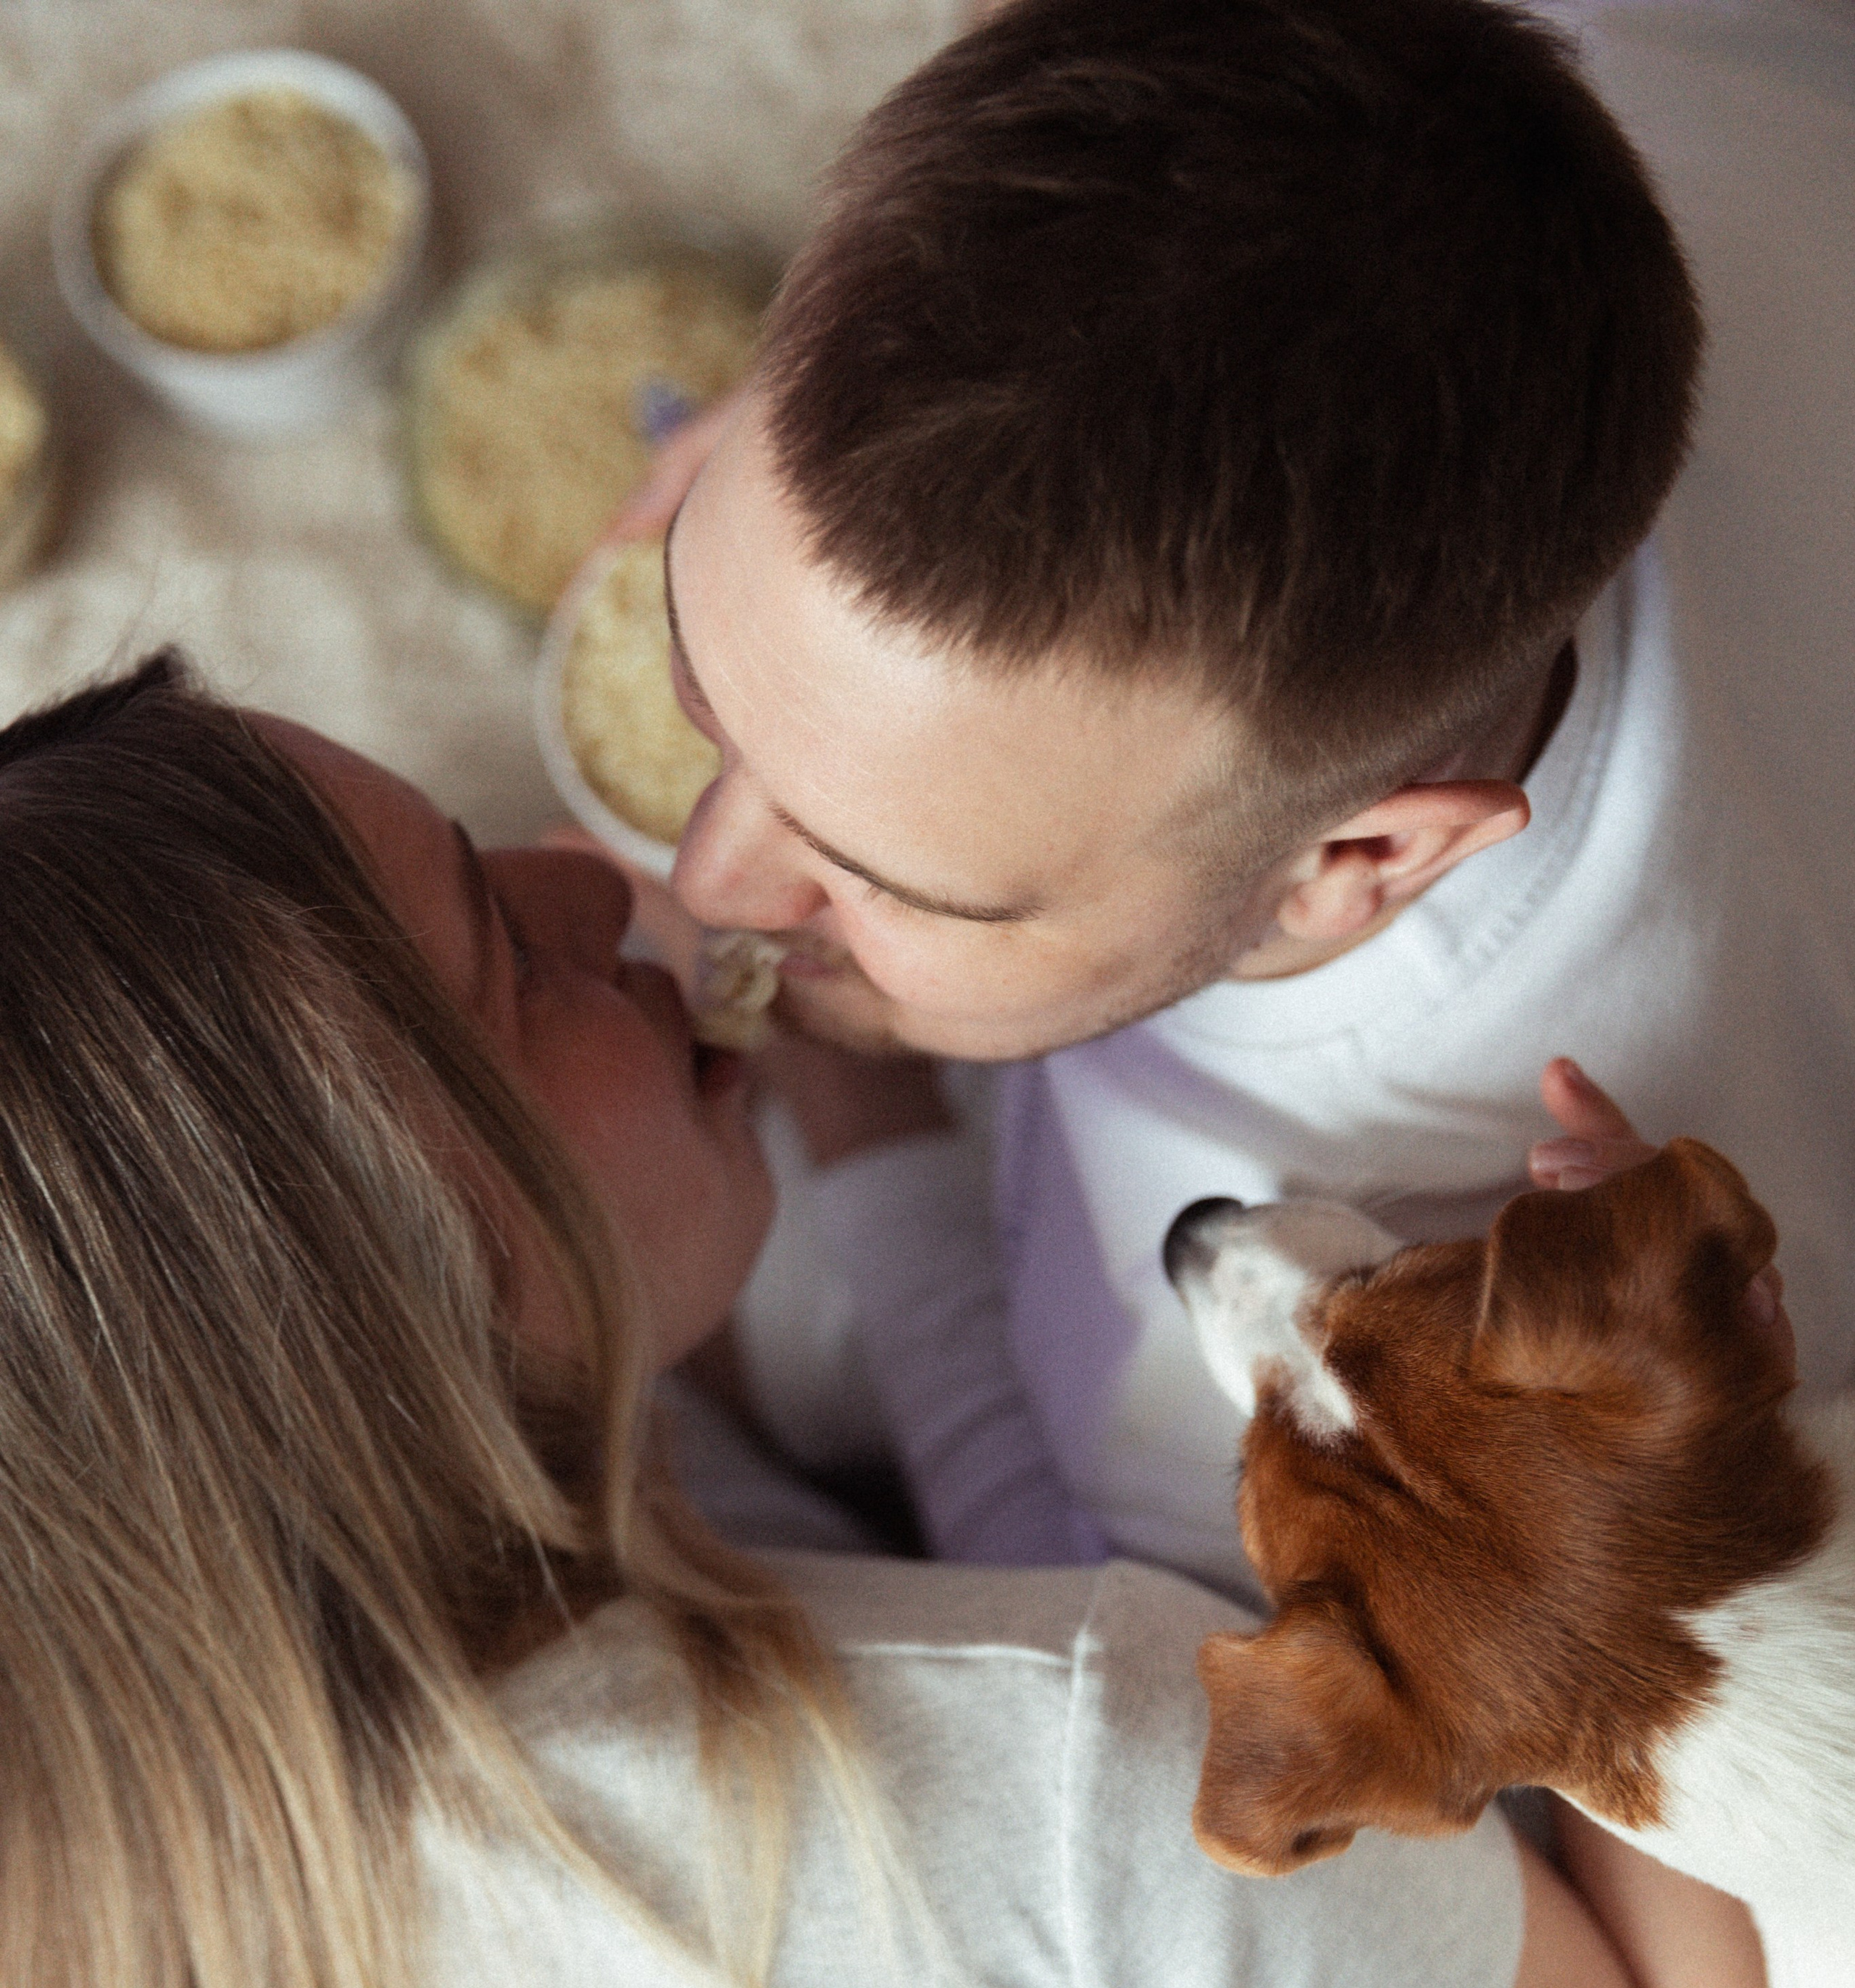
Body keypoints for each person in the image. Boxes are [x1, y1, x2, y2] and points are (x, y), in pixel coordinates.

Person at [0, 657, 1787, 1988]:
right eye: (508, 956)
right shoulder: (1093, 1806)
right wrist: (1651, 1493)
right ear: (390, 1323)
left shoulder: (112, 1706)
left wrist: (859, 1149)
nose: (596, 875)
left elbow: (948, 1657)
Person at [614, 0, 1855, 1590]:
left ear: (1355, 859)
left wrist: (871, 1124)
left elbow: (1066, 1598)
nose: (708, 879)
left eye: (895, 884)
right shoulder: (1695, 66)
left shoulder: (1273, 1339)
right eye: (702, 672)